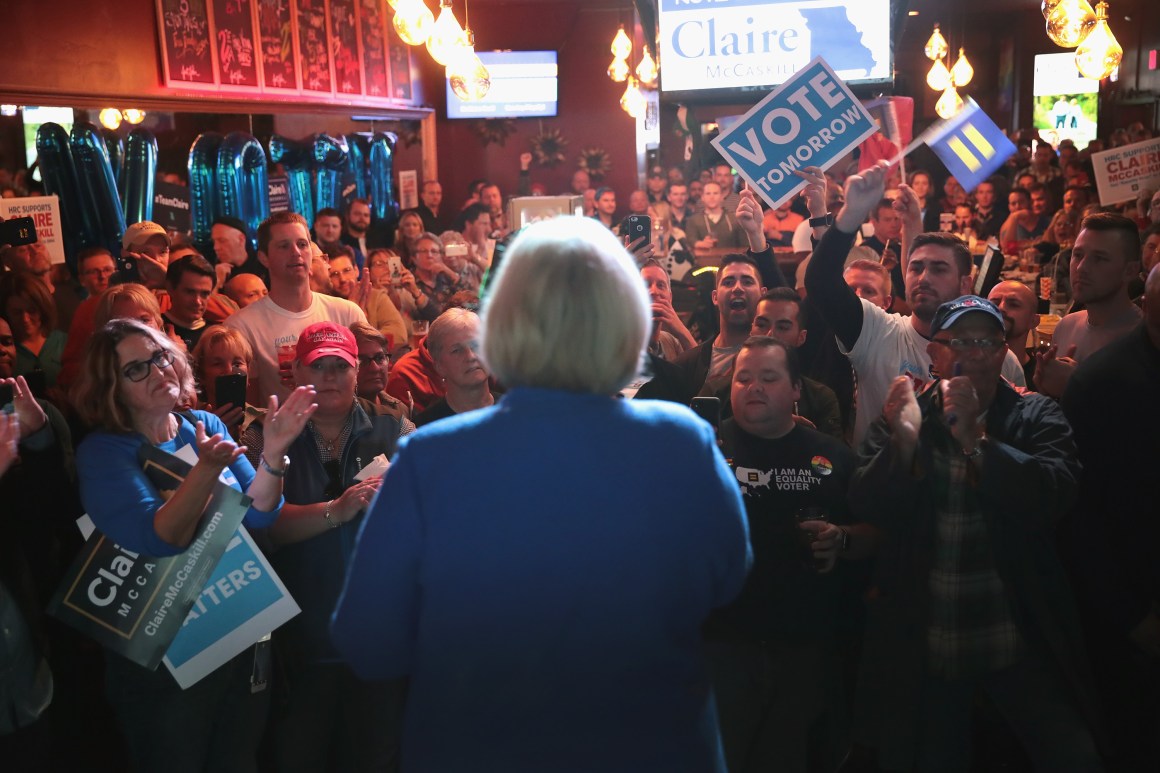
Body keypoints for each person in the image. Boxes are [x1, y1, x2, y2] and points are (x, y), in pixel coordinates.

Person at [331, 215, 751, 772]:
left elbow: (369, 641)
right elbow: (725, 584)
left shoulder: (431, 459)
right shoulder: (680, 444)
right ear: (627, 324)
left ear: (502, 327)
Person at [849, 296, 1104, 772]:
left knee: (1074, 755)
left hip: (1016, 630)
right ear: (934, 354)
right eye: (958, 341)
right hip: (930, 633)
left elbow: (1054, 495)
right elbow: (867, 503)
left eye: (986, 341)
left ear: (1004, 352)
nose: (973, 353)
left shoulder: (1036, 414)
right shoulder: (906, 414)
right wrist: (901, 444)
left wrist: (977, 444)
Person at [72, 317, 315, 773]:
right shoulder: (103, 452)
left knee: (238, 758)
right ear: (111, 387)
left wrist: (276, 449)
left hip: (234, 627)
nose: (158, 370)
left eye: (160, 357)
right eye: (136, 369)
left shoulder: (199, 423)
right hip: (163, 653)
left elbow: (261, 511)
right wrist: (204, 469)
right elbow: (159, 537)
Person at [240, 321, 412, 773]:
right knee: (301, 754)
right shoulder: (264, 436)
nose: (330, 377)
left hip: (381, 630)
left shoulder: (395, 426)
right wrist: (338, 508)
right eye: (319, 366)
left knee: (377, 755)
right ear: (296, 371)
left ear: (359, 371)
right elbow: (260, 528)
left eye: (341, 366)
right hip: (299, 633)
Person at [709, 336, 874, 772]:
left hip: (804, 647)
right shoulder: (703, 448)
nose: (754, 387)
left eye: (768, 377)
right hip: (721, 644)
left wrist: (841, 538)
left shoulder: (833, 457)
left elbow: (877, 534)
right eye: (743, 378)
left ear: (797, 388)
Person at [804, 161, 1025, 446]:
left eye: (939, 269)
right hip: (883, 484)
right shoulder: (877, 330)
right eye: (915, 267)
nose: (923, 277)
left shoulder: (998, 357)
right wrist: (852, 213)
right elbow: (821, 283)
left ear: (965, 285)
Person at [1063, 264, 1160, 773]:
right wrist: (1130, 615)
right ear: (1146, 302)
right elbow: (1083, 515)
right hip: (1130, 607)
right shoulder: (1100, 383)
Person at [225, 212, 368, 404]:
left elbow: (369, 383)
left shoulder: (348, 313)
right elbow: (245, 409)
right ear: (264, 257)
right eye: (284, 246)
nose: (296, 252)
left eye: (302, 244)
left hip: (346, 431)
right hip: (282, 432)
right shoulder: (241, 326)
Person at [1035, 212, 1142, 398]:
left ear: (1130, 271)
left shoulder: (1145, 339)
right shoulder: (1066, 325)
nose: (1081, 267)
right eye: (1077, 255)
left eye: (1099, 258)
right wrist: (1043, 390)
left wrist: (1079, 387)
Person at [749, 289, 843, 441]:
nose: (770, 335)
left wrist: (797, 433)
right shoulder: (719, 391)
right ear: (751, 330)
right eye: (761, 325)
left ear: (801, 337)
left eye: (783, 327)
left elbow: (835, 458)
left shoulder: (821, 399)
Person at [413, 308, 495, 426]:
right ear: (439, 366)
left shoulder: (517, 412)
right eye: (457, 350)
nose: (470, 356)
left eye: (476, 345)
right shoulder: (426, 428)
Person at [327, 253, 408, 354]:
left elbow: (399, 333)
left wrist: (362, 333)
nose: (342, 279)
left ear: (356, 270)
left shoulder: (376, 296)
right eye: (334, 274)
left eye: (347, 270)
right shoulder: (327, 305)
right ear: (327, 278)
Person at [0, 271, 67, 392]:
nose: (25, 319)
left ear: (43, 309)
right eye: (17, 312)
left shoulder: (64, 342)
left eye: (31, 310)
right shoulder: (5, 351)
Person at [191, 325, 259, 438]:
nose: (229, 371)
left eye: (237, 364)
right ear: (201, 374)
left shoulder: (264, 420)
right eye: (217, 364)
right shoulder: (190, 425)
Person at [641, 259, 696, 362]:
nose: (654, 291)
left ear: (670, 297)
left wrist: (682, 332)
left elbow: (703, 373)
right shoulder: (621, 341)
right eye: (646, 285)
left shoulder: (670, 342)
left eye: (661, 285)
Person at [987, 280, 1040, 386]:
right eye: (994, 303)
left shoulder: (1040, 377)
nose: (1000, 308)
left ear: (1033, 321)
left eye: (1013, 305)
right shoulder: (972, 369)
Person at [162, 253, 218, 350]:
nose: (197, 301)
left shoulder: (216, 335)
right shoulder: (154, 329)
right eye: (190, 292)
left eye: (205, 294)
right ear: (170, 288)